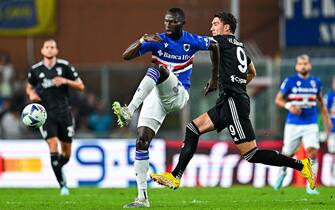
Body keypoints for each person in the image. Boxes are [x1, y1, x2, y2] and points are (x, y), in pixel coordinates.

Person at [150, 12, 316, 193]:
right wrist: (238, 83)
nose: (211, 28)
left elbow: (196, 41)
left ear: (226, 28)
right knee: (192, 129)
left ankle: (302, 166)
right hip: (228, 101)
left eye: (215, 24)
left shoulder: (221, 42)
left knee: (252, 154)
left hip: (233, 102)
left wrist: (168, 38)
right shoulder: (240, 47)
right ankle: (175, 176)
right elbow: (252, 71)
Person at [112, 7, 219, 208]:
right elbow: (126, 55)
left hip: (178, 94)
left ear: (182, 23)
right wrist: (142, 41)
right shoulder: (157, 40)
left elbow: (214, 45)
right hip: (156, 97)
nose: (168, 25)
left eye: (173, 22)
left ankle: (129, 110)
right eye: (166, 21)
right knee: (142, 140)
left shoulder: (192, 40)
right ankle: (142, 198)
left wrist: (215, 78)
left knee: (158, 69)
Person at [26, 39, 85, 195]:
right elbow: (29, 86)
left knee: (66, 153)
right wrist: (32, 94)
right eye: (47, 47)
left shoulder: (64, 67)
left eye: (52, 47)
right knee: (53, 145)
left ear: (56, 51)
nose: (50, 49)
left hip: (65, 113)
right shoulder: (36, 70)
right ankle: (63, 186)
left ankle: (58, 166)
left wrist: (65, 80)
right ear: (42, 50)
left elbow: (81, 86)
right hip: (45, 115)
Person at [272, 55, 332, 194]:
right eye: (300, 64)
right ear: (296, 66)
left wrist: (326, 119)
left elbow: (321, 103)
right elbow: (278, 100)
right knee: (287, 154)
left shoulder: (315, 82)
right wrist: (289, 106)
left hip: (310, 122)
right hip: (293, 123)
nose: (303, 66)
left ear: (310, 65)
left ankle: (311, 186)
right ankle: (282, 173)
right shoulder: (290, 81)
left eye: (305, 63)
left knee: (312, 151)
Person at [323, 77, 335, 180]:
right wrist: (326, 128)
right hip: (333, 130)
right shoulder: (329, 96)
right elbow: (325, 112)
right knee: (333, 151)